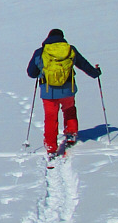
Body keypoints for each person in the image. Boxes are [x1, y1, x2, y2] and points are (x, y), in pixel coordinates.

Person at [27, 29, 101, 157]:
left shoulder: (41, 52)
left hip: (48, 91)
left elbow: (31, 73)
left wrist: (41, 72)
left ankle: (51, 146)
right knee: (69, 110)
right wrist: (95, 73)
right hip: (68, 89)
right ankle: (71, 134)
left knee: (50, 118)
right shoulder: (70, 49)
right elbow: (84, 65)